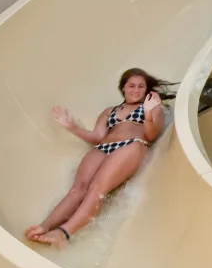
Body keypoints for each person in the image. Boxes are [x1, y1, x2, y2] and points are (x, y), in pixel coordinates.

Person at [25, 68, 172, 246]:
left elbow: (151, 135)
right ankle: (45, 226)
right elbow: (97, 137)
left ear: (146, 89)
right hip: (104, 147)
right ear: (123, 88)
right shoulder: (109, 111)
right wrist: (71, 126)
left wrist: (148, 113)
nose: (136, 90)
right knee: (78, 189)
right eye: (131, 86)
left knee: (97, 188)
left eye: (141, 86)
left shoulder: (152, 107)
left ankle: (63, 233)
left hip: (132, 145)